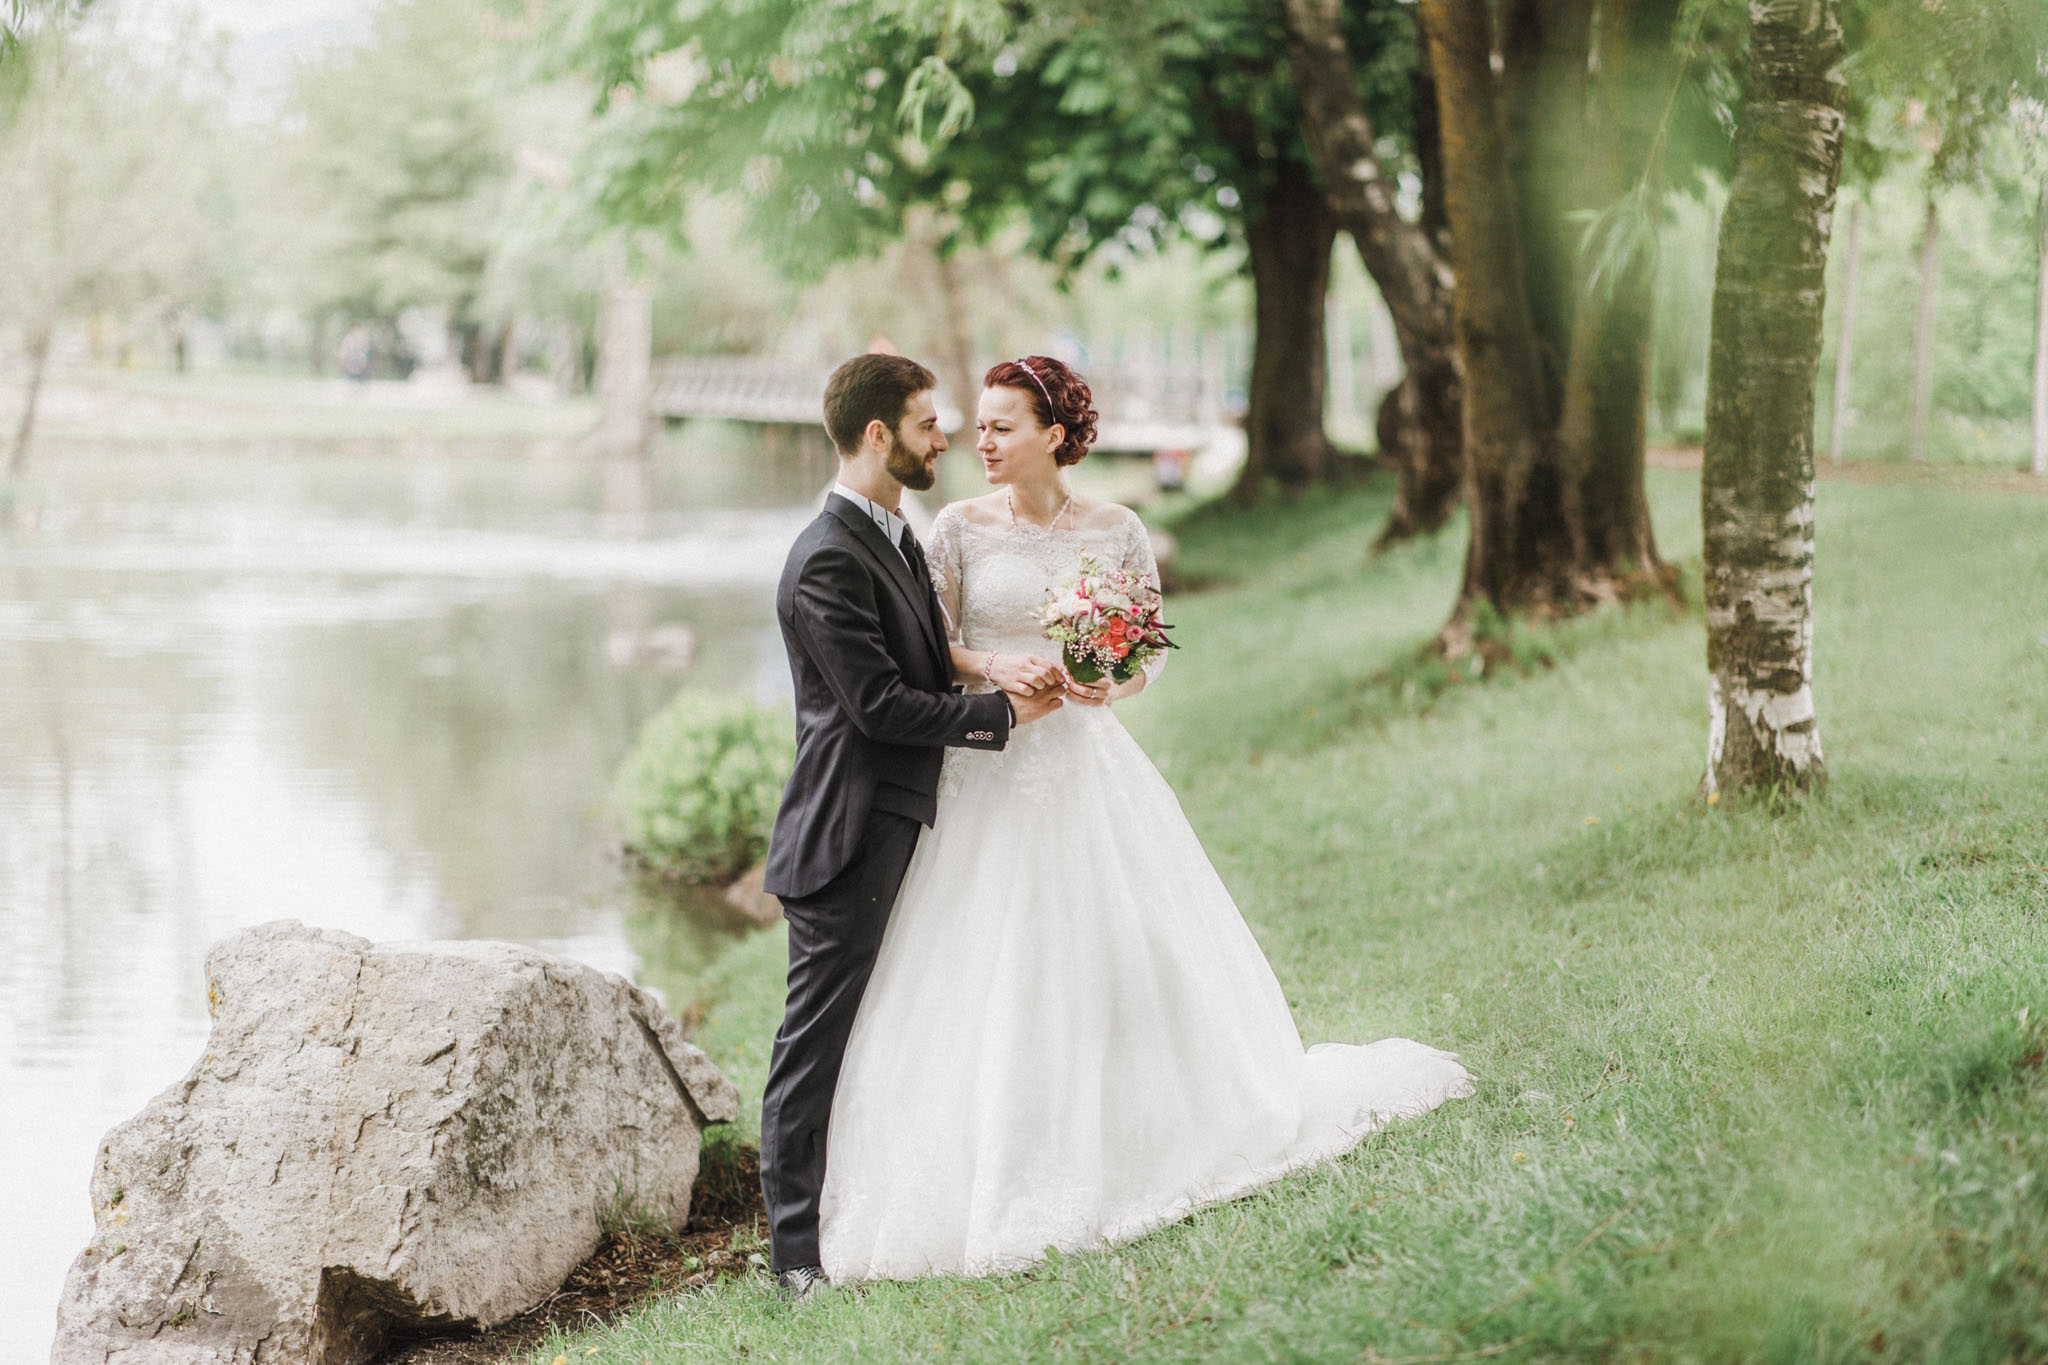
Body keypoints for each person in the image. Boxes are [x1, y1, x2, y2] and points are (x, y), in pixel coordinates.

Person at [815, 357, 1473, 1283]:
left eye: (1002, 425)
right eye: (979, 426)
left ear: (1053, 432)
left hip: (1083, 761)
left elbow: (1144, 651)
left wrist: (1105, 681)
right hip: (988, 763)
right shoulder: (957, 527)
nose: (982, 441)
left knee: (1114, 945)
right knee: (979, 955)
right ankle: (984, 1153)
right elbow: (937, 644)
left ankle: (1141, 1125)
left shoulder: (1117, 529)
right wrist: (999, 671)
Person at [758, 353, 1066, 1300]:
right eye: (930, 423)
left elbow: (927, 662)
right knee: (815, 1045)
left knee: (891, 1027)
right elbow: (881, 706)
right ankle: (795, 1255)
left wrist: (997, 668)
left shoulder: (894, 535)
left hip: (903, 820)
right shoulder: (824, 559)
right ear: (881, 435)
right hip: (845, 836)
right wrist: (1002, 720)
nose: (948, 438)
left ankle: (874, 1200)